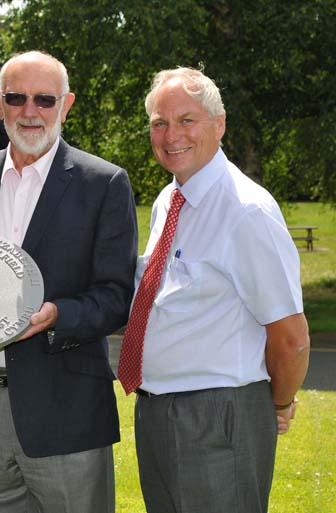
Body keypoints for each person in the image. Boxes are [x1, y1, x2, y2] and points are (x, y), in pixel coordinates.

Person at [0, 51, 138, 513]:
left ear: (65, 105)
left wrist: (57, 316)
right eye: (17, 97)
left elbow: (116, 295)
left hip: (65, 403)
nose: (30, 111)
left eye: (44, 99)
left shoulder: (104, 183)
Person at [118, 67, 310, 513]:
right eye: (159, 123)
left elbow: (292, 337)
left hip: (217, 416)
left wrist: (276, 404)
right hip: (156, 413)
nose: (171, 135)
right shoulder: (170, 200)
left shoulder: (246, 211)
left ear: (219, 124)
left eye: (187, 120)